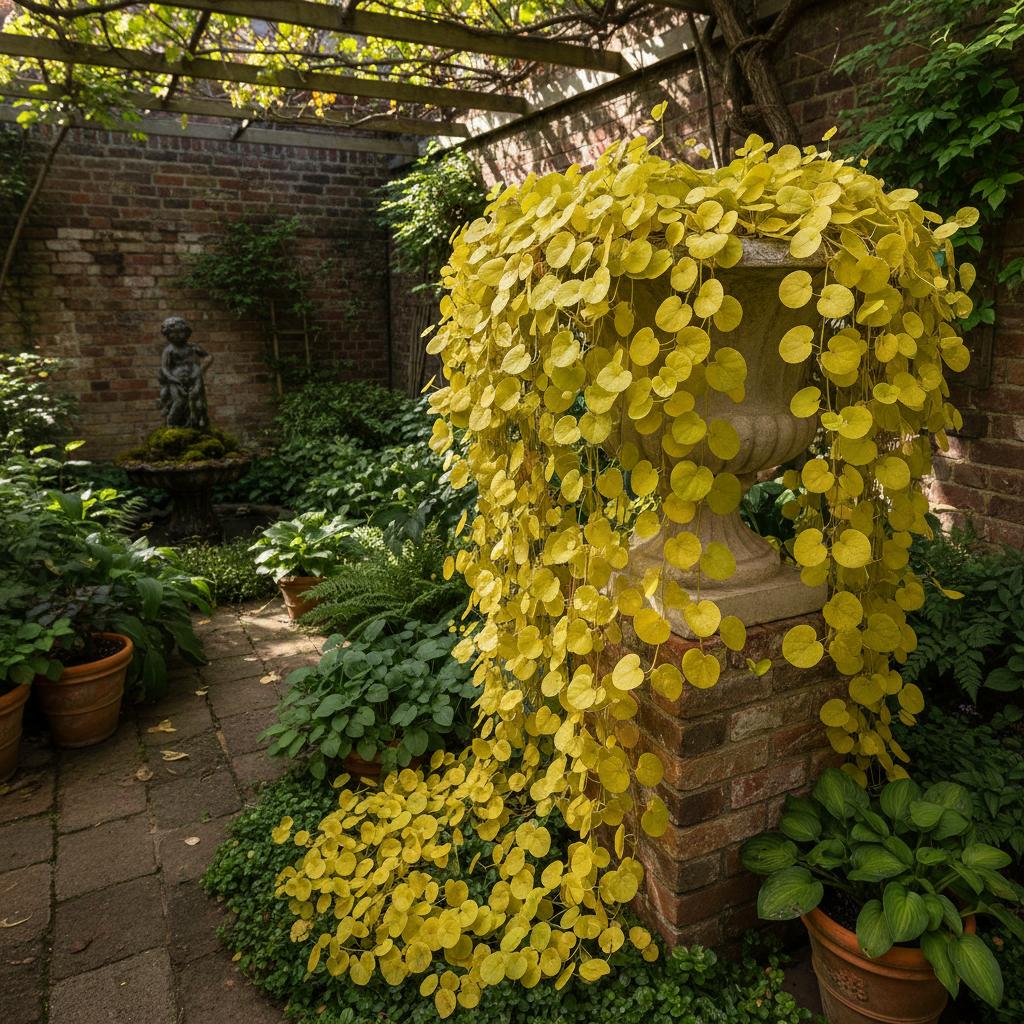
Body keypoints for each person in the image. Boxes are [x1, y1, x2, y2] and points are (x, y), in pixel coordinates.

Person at [157, 316, 213, 429]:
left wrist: (200, 370)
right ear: (167, 334)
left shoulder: (192, 347)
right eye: (173, 333)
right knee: (179, 401)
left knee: (197, 402)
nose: (177, 335)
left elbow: (208, 357)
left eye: (180, 332)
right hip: (176, 381)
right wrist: (174, 380)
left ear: (187, 332)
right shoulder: (169, 350)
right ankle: (171, 422)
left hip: (194, 379)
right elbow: (165, 368)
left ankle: (195, 424)